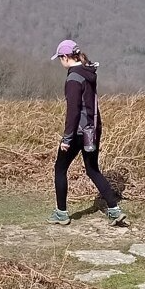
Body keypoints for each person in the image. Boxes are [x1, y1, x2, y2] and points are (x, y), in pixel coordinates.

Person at [51, 40, 126, 227]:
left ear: (65, 57)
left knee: (60, 169)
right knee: (92, 169)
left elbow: (73, 112)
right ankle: (114, 210)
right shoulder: (89, 72)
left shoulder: (73, 79)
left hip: (77, 132)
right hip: (93, 129)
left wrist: (67, 138)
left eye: (60, 58)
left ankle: (61, 213)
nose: (60, 62)